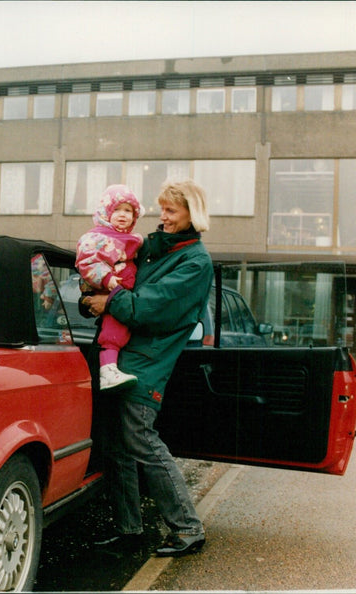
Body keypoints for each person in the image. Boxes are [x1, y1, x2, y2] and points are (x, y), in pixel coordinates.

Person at [83, 179, 213, 558]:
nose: (163, 216)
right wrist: (91, 295)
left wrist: (109, 301)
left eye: (171, 210)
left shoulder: (195, 262)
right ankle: (130, 530)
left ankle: (188, 528)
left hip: (147, 362)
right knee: (116, 444)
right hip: (119, 357)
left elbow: (150, 308)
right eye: (161, 209)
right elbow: (116, 275)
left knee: (140, 439)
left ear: (192, 213)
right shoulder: (153, 246)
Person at [76, 184, 145, 391]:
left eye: (128, 211)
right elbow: (87, 262)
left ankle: (109, 369)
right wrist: (107, 279)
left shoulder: (133, 241)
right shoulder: (97, 238)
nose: (123, 215)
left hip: (122, 297)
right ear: (106, 212)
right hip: (112, 293)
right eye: (117, 209)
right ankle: (107, 370)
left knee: (118, 332)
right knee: (113, 335)